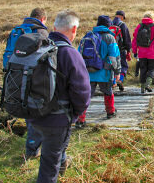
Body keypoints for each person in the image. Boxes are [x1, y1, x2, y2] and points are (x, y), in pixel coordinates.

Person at [30, 10, 91, 182]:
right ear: (74, 29)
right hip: (57, 119)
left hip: (34, 113)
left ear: (54, 27)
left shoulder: (38, 48)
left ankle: (62, 165)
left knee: (54, 149)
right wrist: (75, 114)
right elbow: (82, 93)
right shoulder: (70, 54)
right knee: (49, 163)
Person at [2, 8, 48, 160]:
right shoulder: (41, 32)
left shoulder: (17, 30)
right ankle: (32, 150)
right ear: (42, 19)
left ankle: (32, 144)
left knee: (26, 108)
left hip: (13, 75)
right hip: (32, 77)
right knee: (35, 112)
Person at [77, 15, 121, 127]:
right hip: (104, 73)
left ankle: (80, 119)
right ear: (108, 25)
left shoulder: (88, 36)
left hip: (88, 72)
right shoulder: (110, 38)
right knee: (108, 92)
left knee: (86, 96)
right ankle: (110, 112)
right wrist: (117, 72)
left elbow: (78, 53)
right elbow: (114, 57)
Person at [132, 11, 154, 93]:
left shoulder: (139, 26)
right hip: (153, 52)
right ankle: (148, 84)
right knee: (151, 69)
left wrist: (135, 51)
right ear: (152, 18)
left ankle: (142, 87)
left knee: (143, 69)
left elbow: (134, 40)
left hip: (141, 52)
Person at [111, 10, 131, 91]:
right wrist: (128, 50)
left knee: (111, 66)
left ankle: (113, 82)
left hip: (111, 49)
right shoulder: (122, 25)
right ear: (122, 17)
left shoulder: (110, 24)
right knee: (123, 66)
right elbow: (127, 39)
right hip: (121, 49)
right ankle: (119, 80)